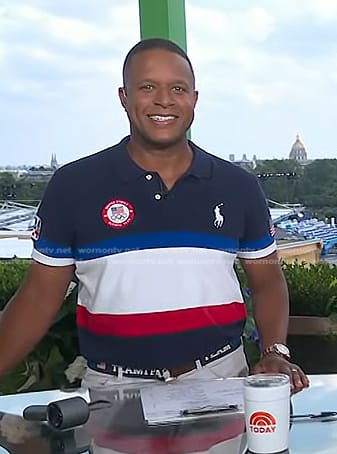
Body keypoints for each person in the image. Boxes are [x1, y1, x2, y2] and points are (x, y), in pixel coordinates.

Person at [0, 38, 309, 394]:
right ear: (124, 97)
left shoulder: (238, 186)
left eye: (177, 88)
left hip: (221, 378)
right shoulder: (73, 187)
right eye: (147, 87)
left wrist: (275, 351)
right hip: (114, 388)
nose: (164, 100)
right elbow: (38, 297)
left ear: (194, 100)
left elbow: (268, 280)